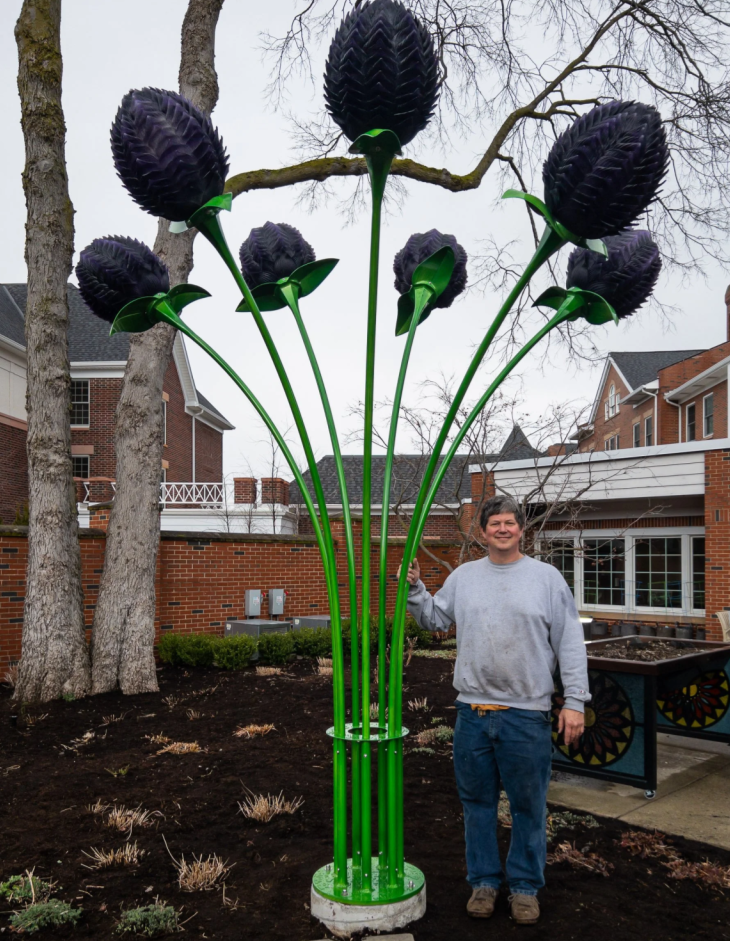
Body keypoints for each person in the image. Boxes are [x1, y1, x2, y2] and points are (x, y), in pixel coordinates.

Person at [401, 494, 589, 924]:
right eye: (494, 524)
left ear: (521, 529)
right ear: (482, 531)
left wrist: (574, 701)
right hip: (472, 714)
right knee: (477, 804)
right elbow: (433, 619)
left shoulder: (546, 578)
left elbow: (569, 644)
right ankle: (484, 883)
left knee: (528, 806)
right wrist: (415, 589)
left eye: (510, 523)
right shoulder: (465, 577)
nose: (502, 530)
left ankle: (524, 888)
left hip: (526, 715)